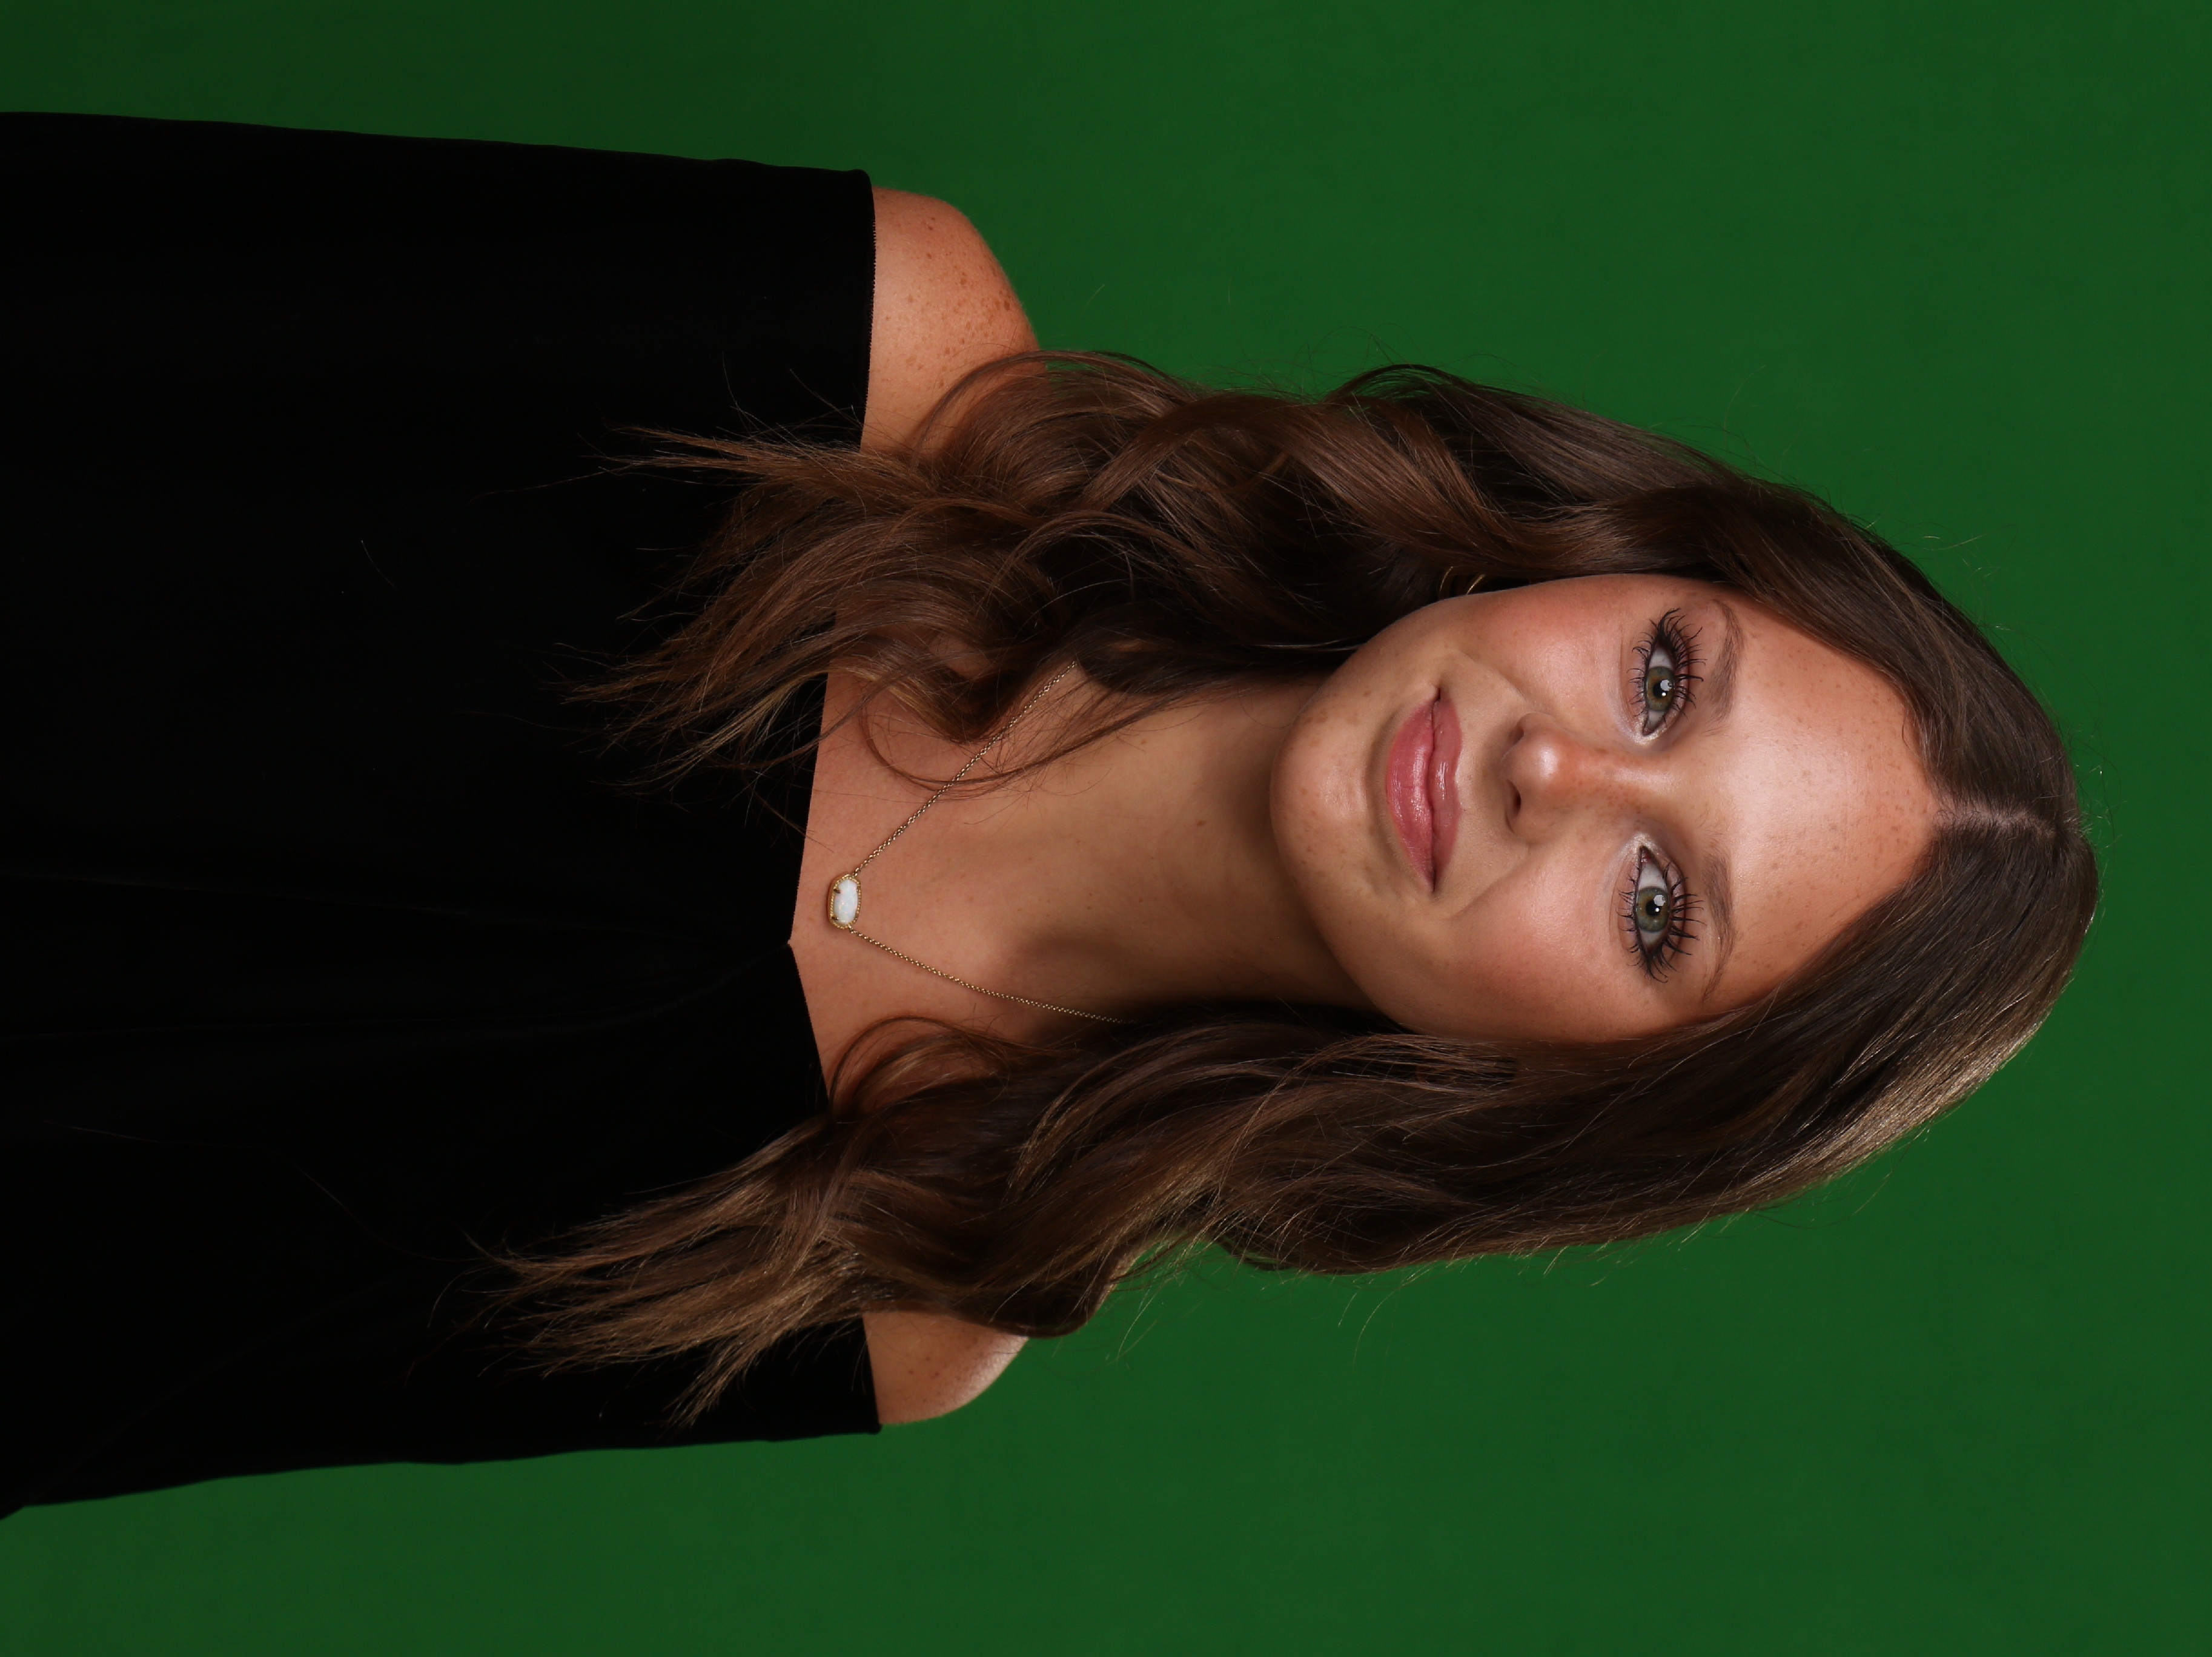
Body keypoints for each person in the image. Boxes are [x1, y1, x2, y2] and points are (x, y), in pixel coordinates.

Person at [0, 113, 2095, 1513]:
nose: (1561, 771)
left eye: (1658, 904)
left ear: (1582, 1099)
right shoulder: (877, 347)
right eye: (1663, 677)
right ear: (1595, 553)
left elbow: (103, 1377)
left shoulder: (908, 1286)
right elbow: (98, 262)